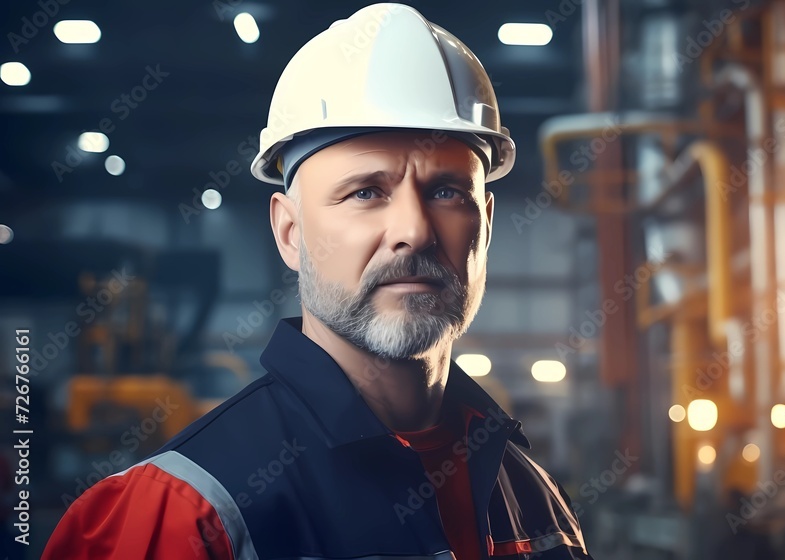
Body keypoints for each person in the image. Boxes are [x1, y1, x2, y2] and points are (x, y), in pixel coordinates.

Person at [42, 3, 593, 559]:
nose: (414, 231)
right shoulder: (185, 514)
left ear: (486, 227)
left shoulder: (533, 496)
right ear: (290, 233)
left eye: (447, 191)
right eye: (366, 192)